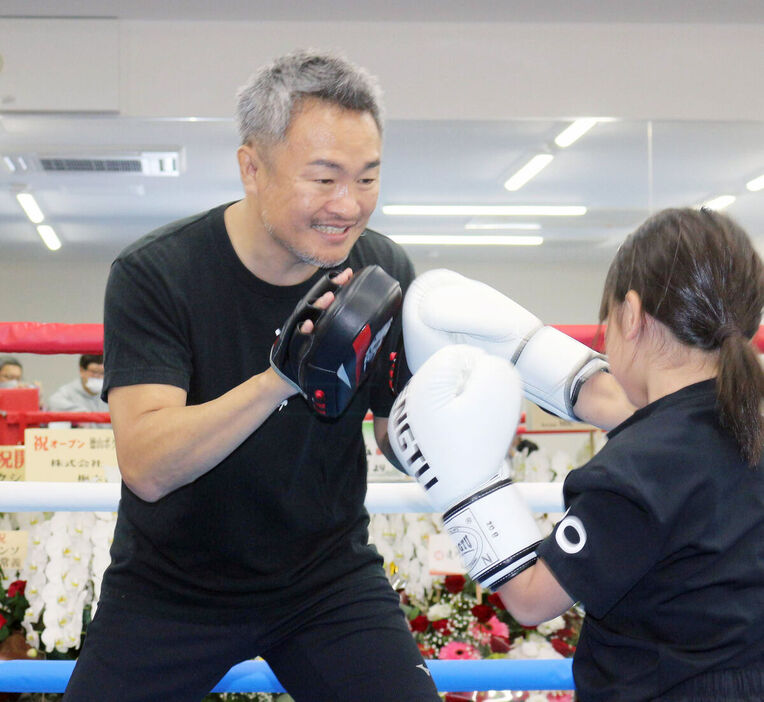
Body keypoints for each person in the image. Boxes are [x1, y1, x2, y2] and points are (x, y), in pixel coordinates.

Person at [62, 50, 440, 702]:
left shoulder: (379, 268)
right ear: (251, 168)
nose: (348, 206)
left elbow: (393, 437)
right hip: (171, 588)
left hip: (327, 580)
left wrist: (447, 417)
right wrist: (281, 378)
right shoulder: (158, 274)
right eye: (323, 179)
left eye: (368, 178)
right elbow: (147, 465)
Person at [390, 207, 764, 701]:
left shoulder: (636, 469)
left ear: (630, 315)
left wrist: (468, 488)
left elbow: (529, 599)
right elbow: (660, 416)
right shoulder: (746, 418)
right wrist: (532, 351)